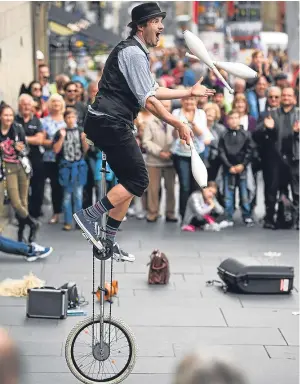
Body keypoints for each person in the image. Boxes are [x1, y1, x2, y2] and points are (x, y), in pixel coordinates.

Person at [73, 2, 215, 260]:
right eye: (156, 22)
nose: (161, 27)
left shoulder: (136, 52)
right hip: (109, 121)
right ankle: (89, 216)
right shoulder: (134, 53)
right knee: (138, 180)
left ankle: (106, 240)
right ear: (141, 26)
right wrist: (179, 121)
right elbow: (149, 100)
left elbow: (152, 91)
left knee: (132, 182)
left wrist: (188, 93)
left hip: (108, 121)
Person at [0, 105, 39, 243]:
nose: (8, 118)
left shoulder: (18, 128)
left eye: (10, 115)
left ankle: (21, 234)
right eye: (5, 115)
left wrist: (21, 149)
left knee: (24, 202)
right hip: (7, 168)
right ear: (0, 116)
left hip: (22, 166)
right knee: (16, 202)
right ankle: (33, 223)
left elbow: (26, 150)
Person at [53, 109, 89, 231]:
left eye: (73, 117)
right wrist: (62, 138)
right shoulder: (60, 132)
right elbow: (56, 150)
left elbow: (86, 150)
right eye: (68, 117)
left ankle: (79, 221)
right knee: (67, 195)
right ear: (64, 119)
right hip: (66, 167)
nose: (70, 120)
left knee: (78, 195)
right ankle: (68, 221)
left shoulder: (80, 131)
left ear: (76, 118)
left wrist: (84, 139)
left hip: (78, 166)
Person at [218, 110, 254, 226]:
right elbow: (221, 151)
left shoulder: (246, 134)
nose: (233, 120)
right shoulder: (223, 135)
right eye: (231, 118)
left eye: (236, 118)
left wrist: (243, 165)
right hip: (228, 169)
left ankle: (247, 215)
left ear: (239, 119)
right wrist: (229, 166)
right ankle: (228, 216)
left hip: (242, 169)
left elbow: (249, 151)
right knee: (228, 194)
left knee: (244, 193)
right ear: (227, 121)